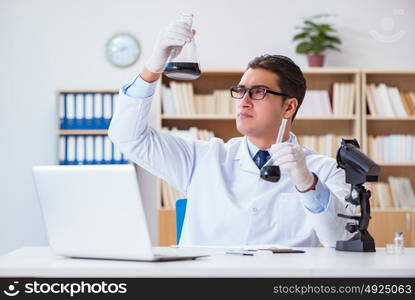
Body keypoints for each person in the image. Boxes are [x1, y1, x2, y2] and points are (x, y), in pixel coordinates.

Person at [108, 20, 354, 247]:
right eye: (240, 90)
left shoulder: (325, 171)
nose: (244, 101)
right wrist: (153, 67)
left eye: (258, 92)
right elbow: (127, 136)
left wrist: (307, 184)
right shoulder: (202, 158)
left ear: (289, 106)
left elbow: (341, 239)